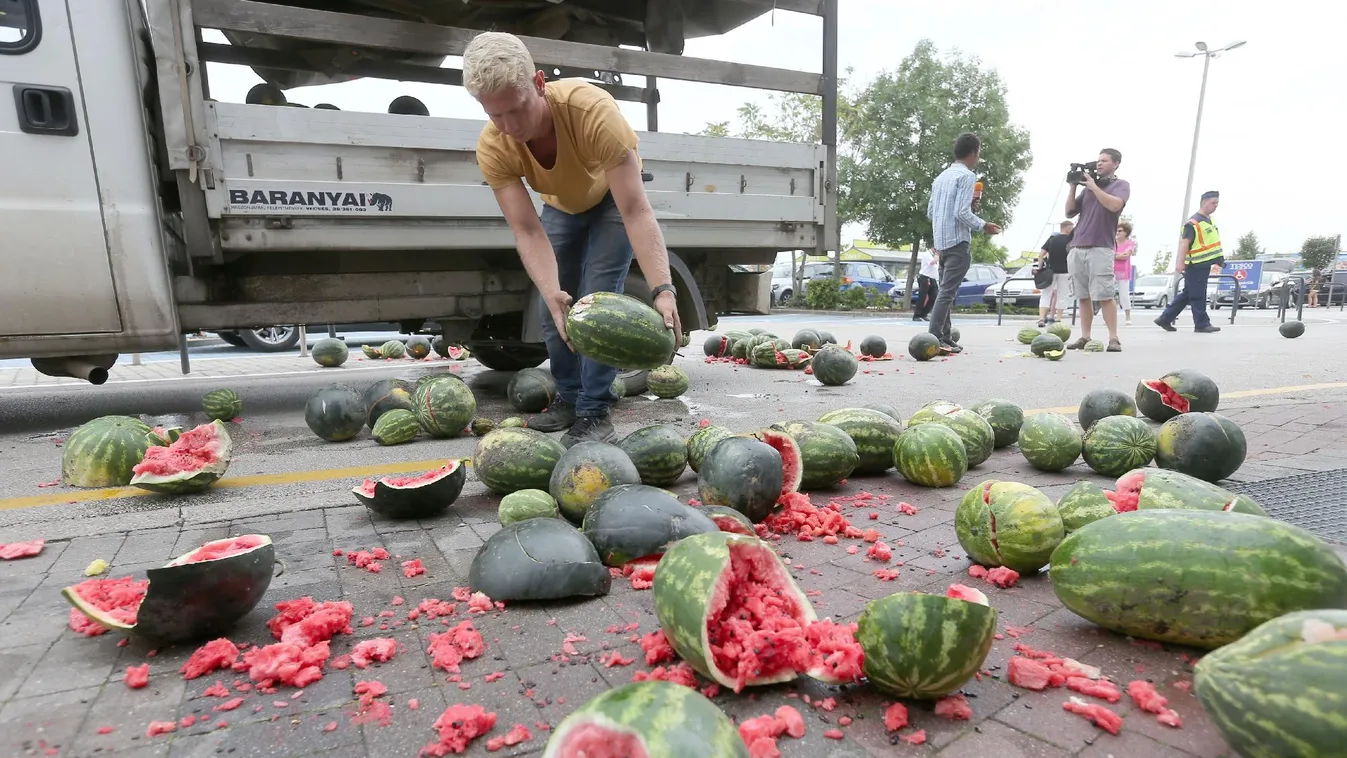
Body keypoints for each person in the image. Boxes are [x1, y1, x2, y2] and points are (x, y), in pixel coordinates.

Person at [462, 32, 682, 447]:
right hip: (562, 204)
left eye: (516, 110)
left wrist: (663, 289)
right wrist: (550, 291)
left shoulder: (592, 112)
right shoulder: (494, 145)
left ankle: (595, 411)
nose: (509, 128)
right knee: (555, 303)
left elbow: (636, 209)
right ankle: (568, 397)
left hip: (611, 202)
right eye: (495, 116)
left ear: (539, 83)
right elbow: (526, 229)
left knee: (597, 302)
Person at [925, 132, 1001, 353]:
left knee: (944, 290)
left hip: (941, 241)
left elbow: (931, 212)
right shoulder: (967, 177)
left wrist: (968, 209)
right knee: (947, 292)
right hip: (958, 241)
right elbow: (960, 213)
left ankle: (945, 336)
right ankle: (934, 337)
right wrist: (982, 225)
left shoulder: (940, 178)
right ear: (974, 153)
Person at [1063, 149, 1131, 352]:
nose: (1099, 164)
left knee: (1105, 294)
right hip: (1078, 245)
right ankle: (1085, 336)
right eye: (1098, 160)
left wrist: (1093, 186)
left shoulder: (1120, 186)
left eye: (1104, 160)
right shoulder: (1088, 190)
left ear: (1116, 163)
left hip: (1101, 246)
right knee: (1082, 296)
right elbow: (1069, 211)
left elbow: (1114, 206)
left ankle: (1113, 338)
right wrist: (1074, 187)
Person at [1154, 190, 1225, 333]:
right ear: (1204, 202)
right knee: (1198, 294)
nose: (1216, 206)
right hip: (1195, 264)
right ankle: (1202, 324)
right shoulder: (1193, 223)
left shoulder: (1210, 221)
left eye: (1217, 203)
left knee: (1188, 293)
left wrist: (1219, 259)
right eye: (1213, 203)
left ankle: (1165, 318)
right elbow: (1184, 243)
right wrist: (1180, 263)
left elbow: (1211, 243)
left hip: (1204, 263)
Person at [1036, 220, 1074, 326]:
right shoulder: (1071, 240)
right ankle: (1058, 319)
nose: (1073, 230)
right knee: (1063, 295)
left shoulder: (1052, 239)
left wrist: (1040, 269)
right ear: (1067, 228)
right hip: (1065, 271)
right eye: (1072, 227)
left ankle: (1041, 319)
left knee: (1046, 295)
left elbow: (1041, 255)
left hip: (1050, 271)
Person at [1113, 221, 1137, 325]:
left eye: (1120, 231)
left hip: (1123, 272)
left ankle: (1128, 317)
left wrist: (1115, 255)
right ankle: (1110, 317)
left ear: (1126, 232)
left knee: (1124, 295)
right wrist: (1118, 255)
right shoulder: (1112, 242)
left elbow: (1125, 256)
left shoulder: (1130, 243)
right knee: (1109, 294)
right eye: (1117, 230)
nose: (1117, 232)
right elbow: (1108, 254)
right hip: (1111, 270)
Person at [913, 247, 939, 321]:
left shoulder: (935, 255)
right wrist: (937, 256)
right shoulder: (926, 254)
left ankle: (924, 313)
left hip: (932, 278)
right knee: (922, 297)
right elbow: (932, 262)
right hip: (925, 277)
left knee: (934, 297)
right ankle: (916, 315)